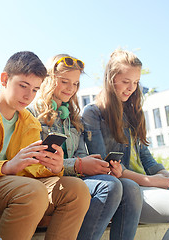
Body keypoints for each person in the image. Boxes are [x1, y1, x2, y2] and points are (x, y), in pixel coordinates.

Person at [0, 51, 91, 240]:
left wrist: (53, 168)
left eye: (35, 90)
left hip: (13, 188)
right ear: (4, 79)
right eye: (23, 86)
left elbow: (29, 170)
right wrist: (6, 166)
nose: (28, 95)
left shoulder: (29, 121)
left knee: (76, 189)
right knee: (32, 191)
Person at [28, 54, 142, 240]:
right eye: (65, 82)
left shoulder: (73, 118)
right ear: (48, 80)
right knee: (110, 186)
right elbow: (37, 161)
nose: (70, 88)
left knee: (129, 187)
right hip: (48, 180)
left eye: (75, 84)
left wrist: (96, 165)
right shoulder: (31, 114)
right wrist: (78, 164)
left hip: (76, 179)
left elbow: (81, 154)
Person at [82, 49, 169, 240]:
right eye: (125, 81)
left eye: (136, 82)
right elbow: (106, 167)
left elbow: (146, 158)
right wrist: (155, 181)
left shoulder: (131, 112)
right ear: (111, 79)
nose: (131, 88)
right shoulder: (93, 113)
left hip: (149, 186)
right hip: (131, 191)